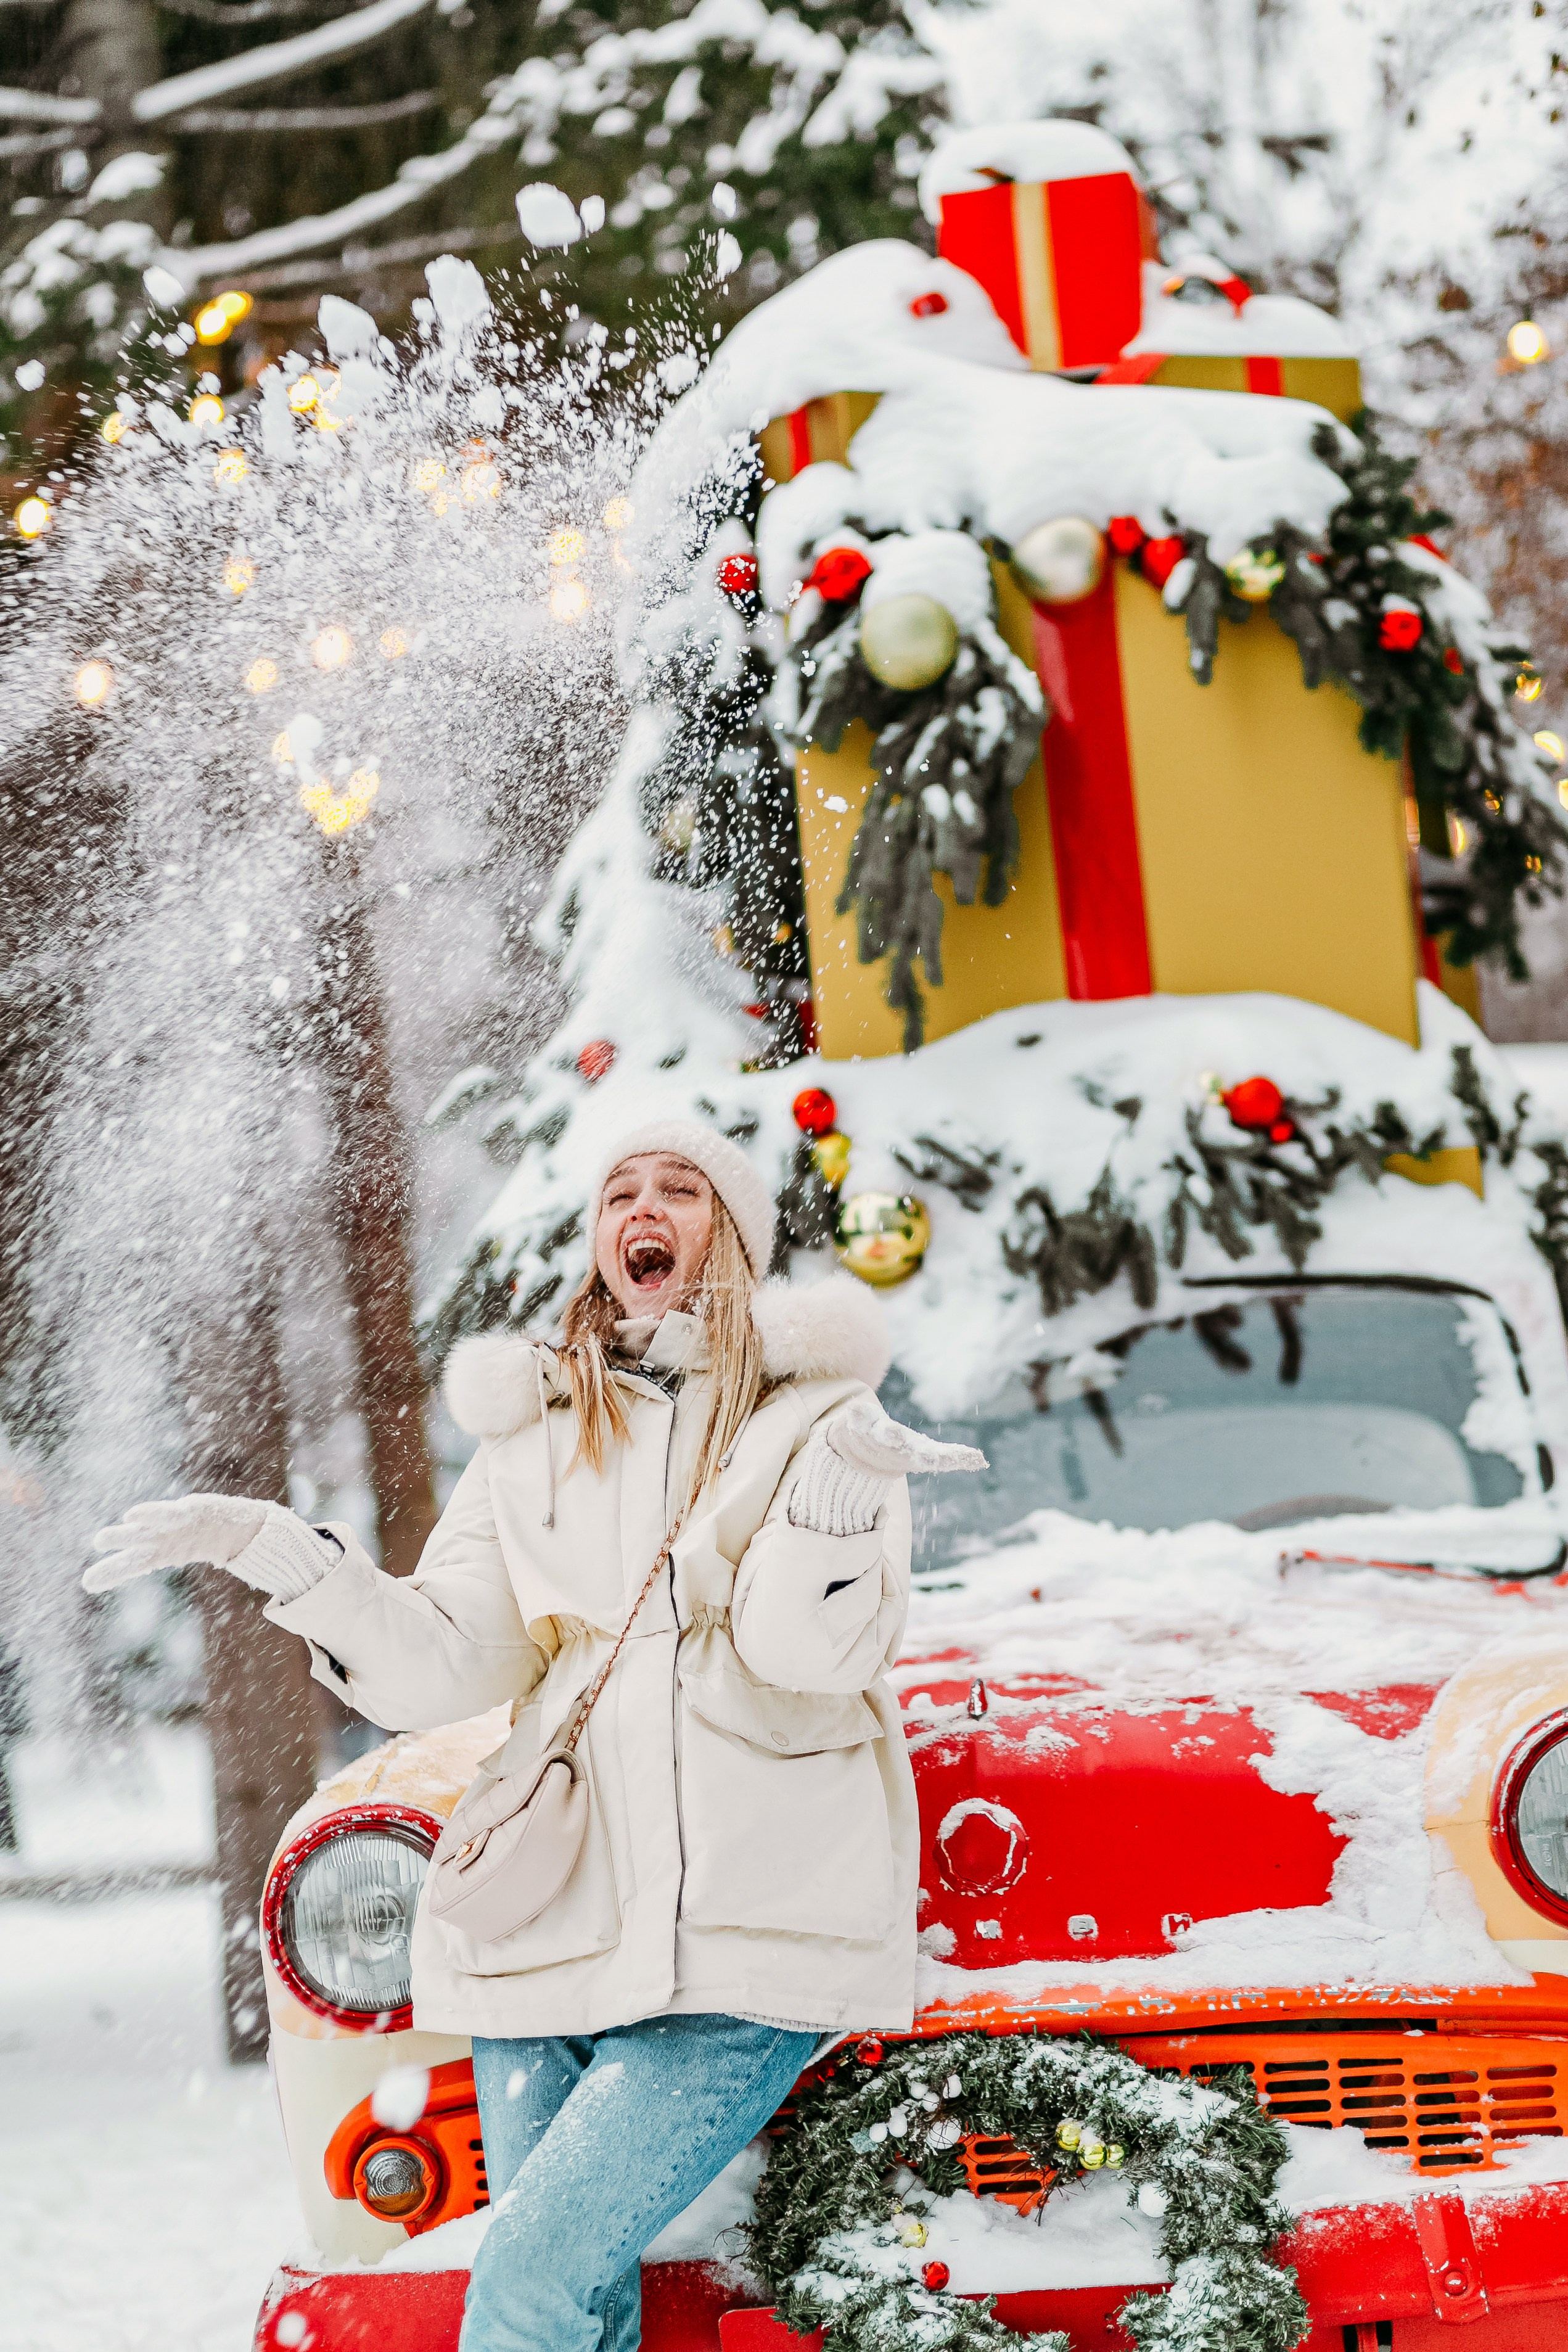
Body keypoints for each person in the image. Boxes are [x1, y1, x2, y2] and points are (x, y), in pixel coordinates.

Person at [87, 1118, 982, 2352]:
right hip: (543, 1943)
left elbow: (805, 1655)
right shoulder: (539, 1433)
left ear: (733, 1234)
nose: (643, 1208)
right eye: (621, 1193)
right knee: (579, 2303)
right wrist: (286, 1557)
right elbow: (449, 1655)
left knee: (527, 2280)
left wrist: (833, 1503)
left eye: (681, 1188)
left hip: (746, 1940)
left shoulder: (818, 1414)